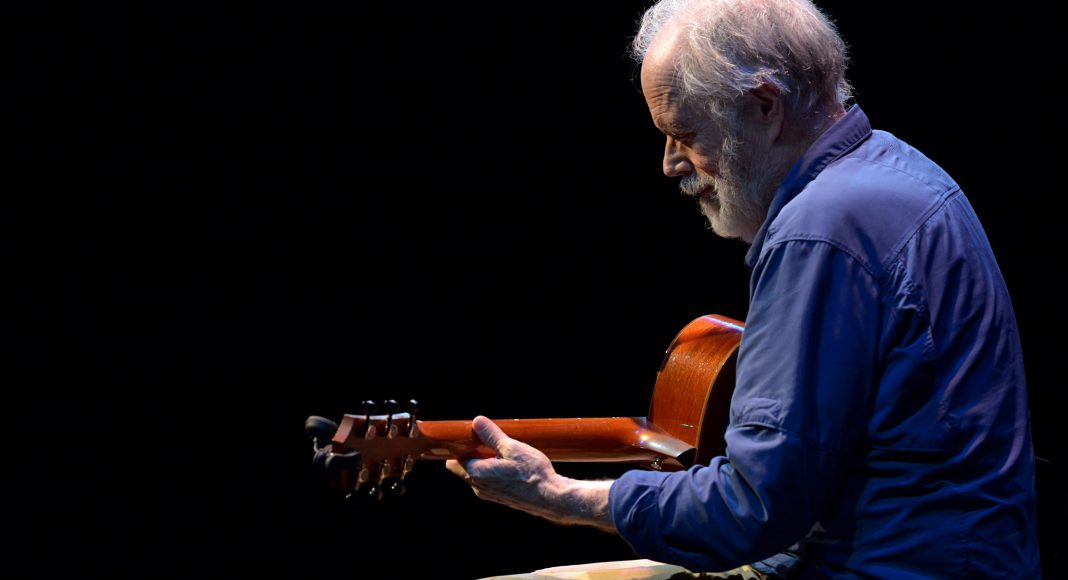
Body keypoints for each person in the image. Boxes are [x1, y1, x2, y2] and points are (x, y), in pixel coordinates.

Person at [446, 0, 1040, 576]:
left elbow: (750, 508)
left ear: (764, 106)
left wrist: (558, 495)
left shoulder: (821, 228)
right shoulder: (896, 167)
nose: (671, 163)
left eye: (682, 133)